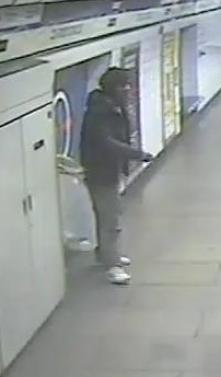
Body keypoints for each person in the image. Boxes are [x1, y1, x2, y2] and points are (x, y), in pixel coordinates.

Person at [80, 67, 153, 285]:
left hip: (107, 169)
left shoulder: (111, 106)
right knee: (111, 220)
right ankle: (113, 265)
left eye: (129, 84)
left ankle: (105, 253)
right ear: (113, 88)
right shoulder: (101, 111)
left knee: (107, 215)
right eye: (124, 85)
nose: (128, 89)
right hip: (101, 172)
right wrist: (137, 154)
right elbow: (106, 142)